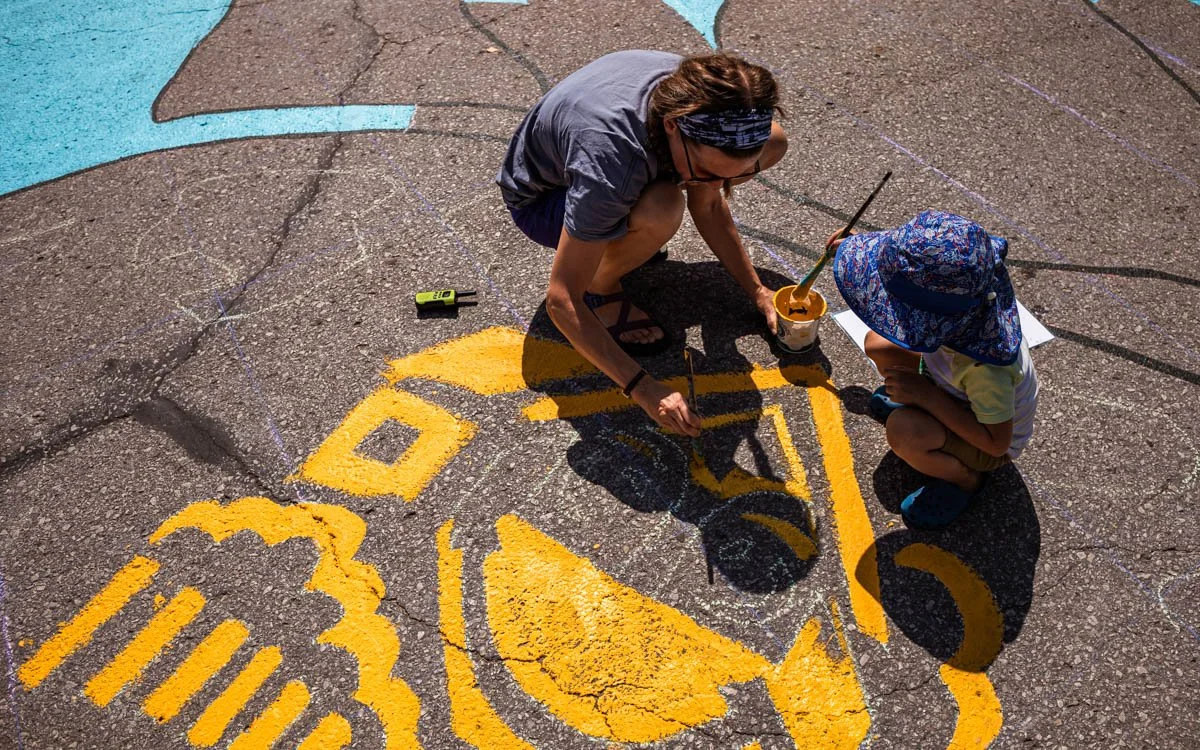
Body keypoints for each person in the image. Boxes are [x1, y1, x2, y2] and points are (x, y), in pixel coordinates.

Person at [497, 50, 788, 437]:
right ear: (672, 126)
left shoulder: (709, 94)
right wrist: (644, 388)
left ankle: (629, 236)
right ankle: (604, 286)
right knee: (663, 207)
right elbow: (562, 299)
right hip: (545, 199)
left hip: (611, 165)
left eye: (732, 176)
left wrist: (757, 291)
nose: (715, 187)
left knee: (775, 143)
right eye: (707, 172)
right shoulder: (613, 161)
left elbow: (711, 206)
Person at [830, 210, 1039, 530]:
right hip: (951, 389)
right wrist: (854, 248)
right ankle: (921, 407)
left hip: (986, 438)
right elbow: (914, 271)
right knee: (877, 343)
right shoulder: (962, 304)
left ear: (931, 320)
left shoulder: (985, 369)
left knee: (904, 431)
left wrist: (926, 397)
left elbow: (996, 442)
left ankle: (964, 481)